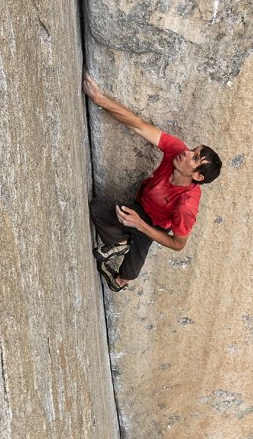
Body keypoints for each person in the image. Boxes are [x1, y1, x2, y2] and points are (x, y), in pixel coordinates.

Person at [82, 73, 222, 291]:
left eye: (194, 157)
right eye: (193, 150)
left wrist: (140, 224)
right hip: (141, 206)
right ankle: (121, 243)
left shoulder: (187, 206)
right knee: (96, 209)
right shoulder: (176, 150)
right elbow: (138, 125)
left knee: (129, 271)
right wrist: (100, 99)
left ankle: (121, 274)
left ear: (198, 176)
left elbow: (178, 244)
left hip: (155, 224)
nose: (186, 152)